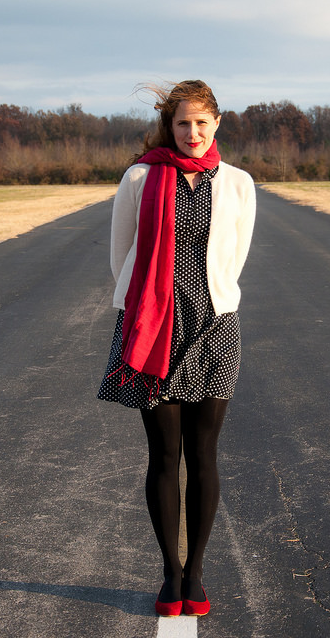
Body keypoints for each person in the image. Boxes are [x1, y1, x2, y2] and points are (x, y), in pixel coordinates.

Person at [97, 80, 256, 617]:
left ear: (217, 124)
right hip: (151, 327)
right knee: (164, 455)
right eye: (183, 123)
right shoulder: (140, 177)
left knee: (203, 454)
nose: (193, 133)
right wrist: (150, 308)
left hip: (213, 329)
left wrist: (208, 301)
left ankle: (197, 572)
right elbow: (121, 255)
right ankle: (170, 574)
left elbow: (234, 259)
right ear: (171, 125)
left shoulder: (237, 183)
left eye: (202, 123)